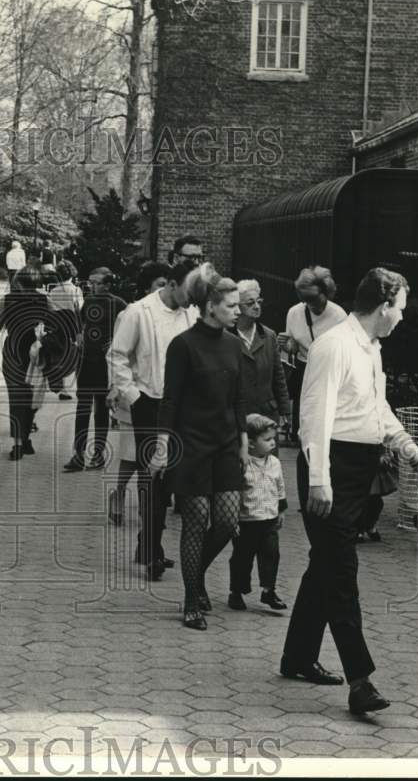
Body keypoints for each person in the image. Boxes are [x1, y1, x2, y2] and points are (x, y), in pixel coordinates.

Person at [282, 267, 418, 716]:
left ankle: (296, 657)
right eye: (401, 309)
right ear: (384, 305)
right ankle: (360, 682)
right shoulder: (334, 346)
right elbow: (314, 416)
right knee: (341, 571)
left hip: (357, 468)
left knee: (325, 566)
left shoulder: (370, 347)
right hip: (329, 466)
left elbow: (375, 407)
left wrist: (407, 447)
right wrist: (320, 480)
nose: (403, 318)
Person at [153, 270, 247, 627]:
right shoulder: (184, 345)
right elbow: (170, 400)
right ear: (211, 307)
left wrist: (242, 445)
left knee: (225, 522)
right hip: (190, 445)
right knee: (195, 523)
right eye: (231, 305)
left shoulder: (234, 345)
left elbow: (239, 399)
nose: (238, 311)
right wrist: (162, 447)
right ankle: (191, 599)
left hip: (224, 445)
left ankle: (198, 573)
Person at [107, 260, 201, 580]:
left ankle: (148, 544)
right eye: (189, 290)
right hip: (150, 402)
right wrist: (133, 396)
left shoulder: (192, 314)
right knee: (153, 479)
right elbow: (117, 355)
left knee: (171, 480)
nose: (193, 297)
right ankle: (152, 552)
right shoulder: (139, 312)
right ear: (172, 284)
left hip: (184, 405)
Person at [107, 262, 171, 526]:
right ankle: (119, 494)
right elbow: (116, 354)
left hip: (159, 394)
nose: (164, 290)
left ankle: (152, 504)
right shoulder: (131, 314)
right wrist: (121, 389)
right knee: (132, 455)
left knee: (157, 451)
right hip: (134, 393)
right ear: (147, 286)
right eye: (160, 284)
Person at [0, 266, 56, 460]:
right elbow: (57, 324)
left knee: (17, 397)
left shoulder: (6, 300)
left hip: (13, 350)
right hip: (36, 353)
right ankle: (24, 439)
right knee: (32, 397)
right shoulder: (45, 300)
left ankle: (20, 442)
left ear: (19, 282)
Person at [64, 267, 126, 472]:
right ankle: (78, 454)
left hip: (104, 363)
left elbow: (128, 330)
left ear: (108, 284)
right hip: (85, 360)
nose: (92, 286)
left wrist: (115, 341)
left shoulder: (118, 303)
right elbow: (81, 324)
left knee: (101, 409)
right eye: (90, 282)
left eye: (97, 283)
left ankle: (98, 453)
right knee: (82, 408)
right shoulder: (89, 301)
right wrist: (79, 336)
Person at [228, 414, 289, 612]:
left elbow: (280, 487)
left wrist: (281, 510)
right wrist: (233, 520)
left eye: (274, 438)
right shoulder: (242, 464)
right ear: (251, 443)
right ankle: (237, 591)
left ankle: (268, 590)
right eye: (267, 439)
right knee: (242, 558)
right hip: (247, 521)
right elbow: (235, 493)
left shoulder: (275, 463)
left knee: (271, 555)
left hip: (269, 520)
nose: (273, 443)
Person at [279, 266, 347, 441]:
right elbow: (293, 347)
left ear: (327, 292)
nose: (312, 305)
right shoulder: (294, 313)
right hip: (305, 370)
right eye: (306, 300)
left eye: (315, 299)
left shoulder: (338, 315)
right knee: (303, 427)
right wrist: (288, 345)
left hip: (329, 372)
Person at [232, 280, 290, 440]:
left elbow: (279, 377)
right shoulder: (226, 336)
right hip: (237, 416)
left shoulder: (269, 336)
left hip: (266, 415)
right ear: (237, 306)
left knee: (267, 462)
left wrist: (285, 410)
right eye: (250, 303)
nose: (256, 306)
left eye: (259, 301)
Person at [47, 260, 83, 401]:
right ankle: (76, 385)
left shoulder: (53, 291)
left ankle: (62, 387)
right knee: (74, 356)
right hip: (72, 326)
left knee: (59, 356)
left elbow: (50, 309)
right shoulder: (75, 290)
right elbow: (79, 309)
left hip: (57, 326)